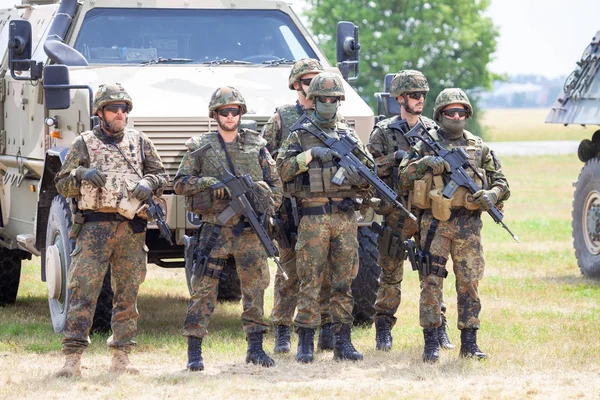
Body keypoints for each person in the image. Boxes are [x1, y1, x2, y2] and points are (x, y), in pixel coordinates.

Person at [54, 83, 168, 377]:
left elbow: (161, 175)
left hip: (130, 230)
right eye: (114, 108)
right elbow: (61, 183)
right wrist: (81, 173)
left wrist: (148, 184)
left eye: (124, 108)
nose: (120, 113)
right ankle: (72, 358)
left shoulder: (140, 141)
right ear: (100, 112)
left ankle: (122, 357)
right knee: (83, 293)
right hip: (94, 230)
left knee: (127, 295)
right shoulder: (84, 143)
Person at [398, 88, 510, 362]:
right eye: (451, 112)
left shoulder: (479, 147)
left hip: (468, 226)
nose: (457, 116)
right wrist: (424, 163)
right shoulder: (425, 144)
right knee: (431, 283)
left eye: (461, 112)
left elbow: (502, 183)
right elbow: (402, 177)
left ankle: (469, 342)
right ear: (440, 115)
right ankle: (431, 342)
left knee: (469, 284)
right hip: (435, 225)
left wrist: (492, 195)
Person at [174, 86, 282, 370]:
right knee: (203, 290)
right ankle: (194, 352)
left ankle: (256, 348)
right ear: (215, 115)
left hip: (250, 230)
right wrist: (211, 185)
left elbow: (276, 186)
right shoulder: (200, 146)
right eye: (225, 112)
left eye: (235, 111)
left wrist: (263, 198)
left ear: (241, 114)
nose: (230, 116)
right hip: (215, 231)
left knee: (255, 288)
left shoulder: (257, 146)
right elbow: (180, 183)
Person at [277, 72, 372, 363]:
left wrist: (357, 172)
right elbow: (281, 170)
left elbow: (369, 173)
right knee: (310, 280)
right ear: (314, 100)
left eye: (333, 99)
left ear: (339, 101)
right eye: (323, 99)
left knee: (344, 281)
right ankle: (305, 340)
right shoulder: (300, 133)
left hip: (344, 217)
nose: (329, 103)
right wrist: (309, 156)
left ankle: (342, 340)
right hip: (314, 216)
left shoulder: (349, 134)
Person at [367, 70, 454, 351]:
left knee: (432, 274)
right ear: (400, 98)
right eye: (415, 95)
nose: (420, 100)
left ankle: (438, 329)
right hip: (396, 211)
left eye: (423, 95)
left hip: (427, 212)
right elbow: (370, 171)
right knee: (390, 273)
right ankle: (383, 328)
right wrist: (395, 158)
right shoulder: (383, 131)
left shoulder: (433, 129)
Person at [262, 58, 338, 353]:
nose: (315, 86)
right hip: (290, 208)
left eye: (318, 80)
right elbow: (267, 162)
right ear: (296, 85)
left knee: (328, 271)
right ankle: (282, 328)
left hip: (322, 207)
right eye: (308, 81)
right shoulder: (282, 118)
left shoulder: (333, 119)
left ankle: (327, 328)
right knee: (290, 273)